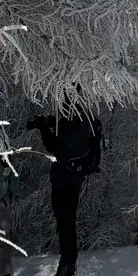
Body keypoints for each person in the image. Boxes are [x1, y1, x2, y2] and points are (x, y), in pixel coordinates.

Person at [26, 88, 102, 276]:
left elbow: (57, 146)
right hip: (71, 176)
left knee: (65, 220)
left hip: (66, 178)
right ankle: (67, 262)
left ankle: (68, 263)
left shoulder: (74, 119)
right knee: (65, 220)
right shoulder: (83, 117)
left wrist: (44, 128)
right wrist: (48, 123)